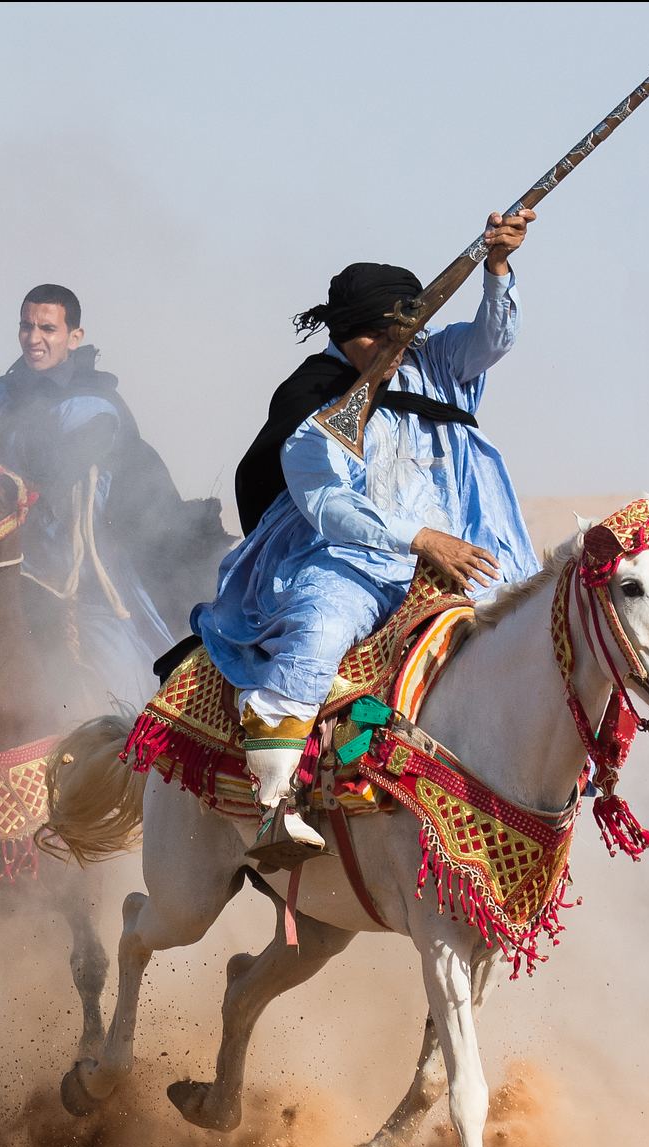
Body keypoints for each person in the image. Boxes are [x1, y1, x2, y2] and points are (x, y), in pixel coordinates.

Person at [194, 210, 540, 857]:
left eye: (401, 331)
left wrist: (496, 267)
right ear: (350, 335)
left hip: (461, 548)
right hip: (351, 557)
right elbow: (326, 502)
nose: (396, 345)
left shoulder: (435, 361)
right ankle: (274, 801)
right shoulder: (315, 398)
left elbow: (493, 339)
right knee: (321, 627)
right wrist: (419, 539)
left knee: (530, 641)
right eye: (382, 334)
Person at [0, 284, 212, 701]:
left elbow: (55, 469)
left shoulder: (96, 405)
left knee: (124, 685)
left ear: (74, 337)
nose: (34, 338)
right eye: (26, 326)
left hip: (83, 579)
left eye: (48, 328)